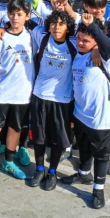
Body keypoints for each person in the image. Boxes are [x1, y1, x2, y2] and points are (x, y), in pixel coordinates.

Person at [63, 11, 110, 208]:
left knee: (101, 153)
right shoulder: (78, 55)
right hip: (80, 113)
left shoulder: (105, 56)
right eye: (79, 39)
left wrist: (92, 26)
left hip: (100, 118)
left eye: (86, 40)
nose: (80, 43)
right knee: (84, 147)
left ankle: (99, 189)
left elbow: (106, 44)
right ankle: (84, 174)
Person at [0, 0, 34, 185]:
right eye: (12, 14)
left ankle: (9, 162)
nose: (15, 18)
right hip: (2, 92)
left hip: (24, 94)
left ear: (27, 16)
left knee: (15, 128)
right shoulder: (0, 37)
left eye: (19, 14)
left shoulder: (32, 36)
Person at [28, 10, 76, 190]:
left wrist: (95, 49)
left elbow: (94, 39)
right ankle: (39, 169)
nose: (57, 27)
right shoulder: (42, 36)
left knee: (57, 140)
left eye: (61, 24)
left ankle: (53, 171)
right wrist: (4, 28)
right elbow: (25, 19)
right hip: (40, 95)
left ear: (68, 28)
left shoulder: (74, 44)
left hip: (63, 101)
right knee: (39, 138)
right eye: (54, 23)